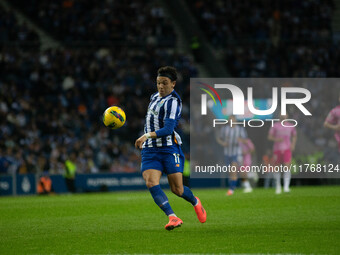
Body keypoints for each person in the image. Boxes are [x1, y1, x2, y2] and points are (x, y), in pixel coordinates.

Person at [135, 66, 206, 231]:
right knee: (151, 182)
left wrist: (146, 135)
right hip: (150, 150)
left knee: (178, 189)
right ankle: (172, 217)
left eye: (164, 83)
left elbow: (167, 130)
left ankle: (195, 202)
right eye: (158, 83)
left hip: (169, 149)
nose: (160, 86)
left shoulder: (173, 102)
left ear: (173, 84)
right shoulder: (154, 97)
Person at [216, 115, 250, 195]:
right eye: (230, 120)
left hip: (236, 153)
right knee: (230, 172)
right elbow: (218, 138)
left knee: (233, 170)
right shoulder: (224, 129)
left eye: (233, 120)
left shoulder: (240, 129)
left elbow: (246, 140)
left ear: (235, 120)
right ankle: (237, 185)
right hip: (227, 153)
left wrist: (240, 140)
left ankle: (231, 189)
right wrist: (223, 143)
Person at [268, 114, 297, 194]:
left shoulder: (291, 126)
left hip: (287, 148)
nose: (283, 116)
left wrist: (293, 144)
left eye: (285, 114)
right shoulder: (275, 126)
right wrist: (276, 139)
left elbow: (294, 136)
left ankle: (286, 187)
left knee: (287, 166)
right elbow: (269, 137)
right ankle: (278, 186)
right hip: (277, 149)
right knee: (277, 167)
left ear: (287, 116)